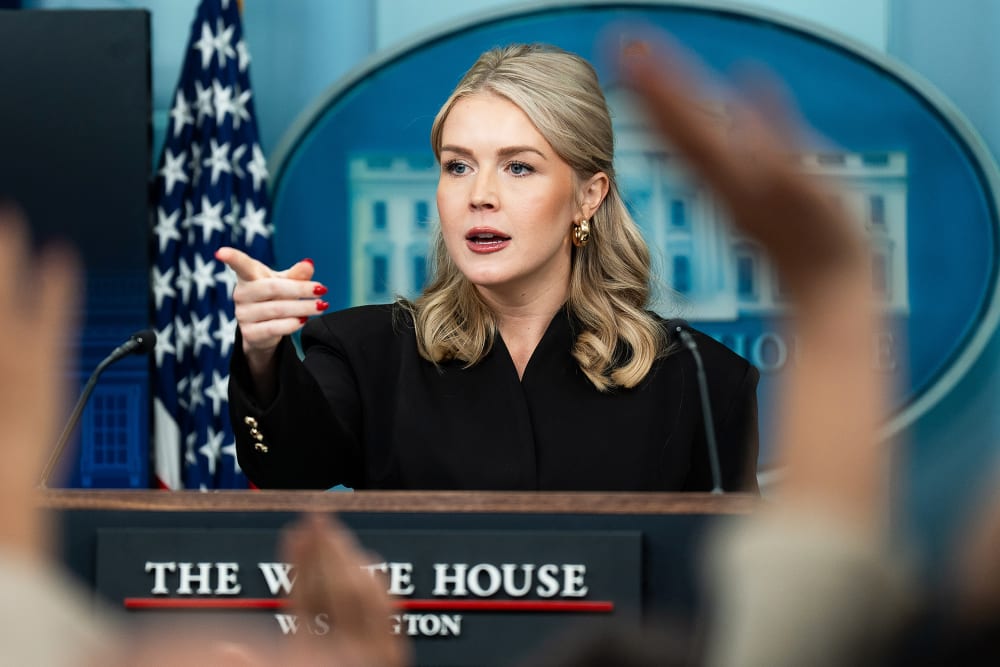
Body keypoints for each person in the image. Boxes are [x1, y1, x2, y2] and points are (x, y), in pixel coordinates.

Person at [216, 43, 760, 492]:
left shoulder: (699, 379)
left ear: (588, 196)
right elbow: (290, 469)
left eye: (518, 167)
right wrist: (262, 357)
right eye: (458, 166)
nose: (480, 195)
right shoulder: (365, 353)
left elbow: (731, 574)